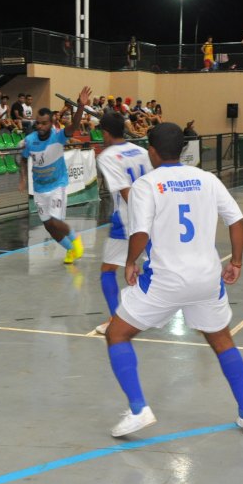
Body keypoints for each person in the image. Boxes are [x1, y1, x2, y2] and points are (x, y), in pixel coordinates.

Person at [102, 122, 243, 437]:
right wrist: (237, 261)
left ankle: (138, 409)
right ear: (184, 149)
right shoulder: (207, 179)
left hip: (166, 280)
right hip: (206, 278)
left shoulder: (148, 184)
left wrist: (131, 262)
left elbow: (141, 231)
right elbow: (236, 219)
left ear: (153, 151)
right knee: (222, 341)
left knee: (117, 334)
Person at [92, 111, 153, 334]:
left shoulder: (107, 156)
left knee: (108, 270)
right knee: (155, 266)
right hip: (153, 216)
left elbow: (126, 192)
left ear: (106, 133)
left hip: (128, 220)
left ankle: (117, 319)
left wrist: (139, 218)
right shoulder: (141, 150)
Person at [18, 86, 91, 264]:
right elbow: (22, 159)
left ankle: (75, 239)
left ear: (51, 123)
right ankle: (70, 250)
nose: (40, 126)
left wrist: (80, 106)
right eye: (38, 123)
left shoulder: (58, 136)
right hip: (39, 189)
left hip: (58, 184)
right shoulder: (29, 141)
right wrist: (23, 178)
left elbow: (73, 126)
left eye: (44, 123)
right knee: (49, 226)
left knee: (56, 221)